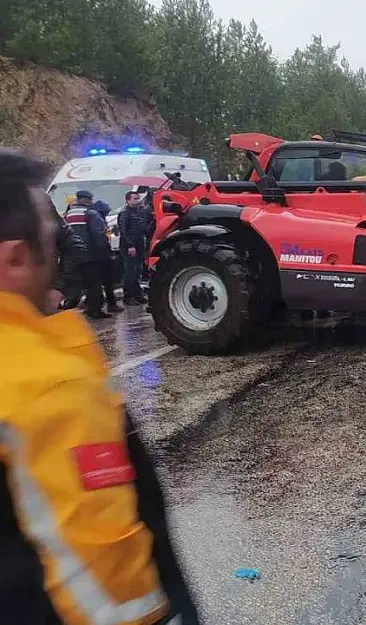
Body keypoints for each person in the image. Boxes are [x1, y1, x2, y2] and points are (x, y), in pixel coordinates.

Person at [0, 149, 199, 625]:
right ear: (16, 256)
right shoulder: (46, 382)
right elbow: (103, 573)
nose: (59, 255)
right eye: (52, 242)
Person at [63, 190, 114, 318]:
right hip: (90, 254)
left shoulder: (67, 214)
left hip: (72, 255)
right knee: (94, 283)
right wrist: (105, 252)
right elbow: (98, 235)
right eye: (90, 200)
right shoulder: (90, 213)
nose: (91, 202)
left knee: (75, 283)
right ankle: (94, 309)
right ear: (86, 200)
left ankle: (67, 309)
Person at [118, 190, 153, 305]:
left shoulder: (140, 212)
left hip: (139, 243)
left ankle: (138, 295)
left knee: (138, 270)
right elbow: (123, 231)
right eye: (135, 199)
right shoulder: (124, 213)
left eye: (138, 198)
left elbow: (144, 228)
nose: (137, 201)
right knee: (130, 271)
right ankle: (128, 296)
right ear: (128, 200)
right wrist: (130, 245)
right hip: (130, 245)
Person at [91, 199, 122, 313]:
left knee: (98, 282)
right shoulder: (97, 218)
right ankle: (109, 305)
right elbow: (100, 237)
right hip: (101, 254)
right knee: (106, 281)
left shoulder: (95, 217)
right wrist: (107, 252)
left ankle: (98, 306)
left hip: (97, 254)